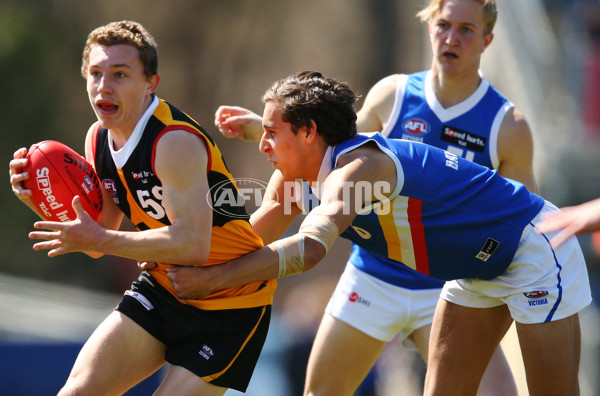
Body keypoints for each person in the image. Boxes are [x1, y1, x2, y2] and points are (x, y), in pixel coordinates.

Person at [162, 70, 592, 396]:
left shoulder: (359, 169)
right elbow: (249, 242)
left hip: (533, 249)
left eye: (272, 133)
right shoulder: (296, 179)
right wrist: (178, 263)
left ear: (309, 132)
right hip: (473, 271)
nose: (262, 144)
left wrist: (213, 280)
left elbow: (310, 250)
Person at [214, 1, 529, 393]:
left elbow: (519, 228)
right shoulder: (393, 95)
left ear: (487, 40)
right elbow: (327, 151)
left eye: (466, 29)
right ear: (429, 27)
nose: (451, 38)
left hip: (447, 287)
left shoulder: (507, 125)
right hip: (374, 276)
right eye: (444, 24)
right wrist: (262, 131)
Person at [8, 20, 275, 395]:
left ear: (151, 83)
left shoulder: (173, 142)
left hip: (231, 302)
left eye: (120, 74)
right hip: (164, 290)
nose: (104, 86)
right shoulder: (98, 138)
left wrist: (103, 237)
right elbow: (97, 242)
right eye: (96, 74)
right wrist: (39, 199)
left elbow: (192, 244)